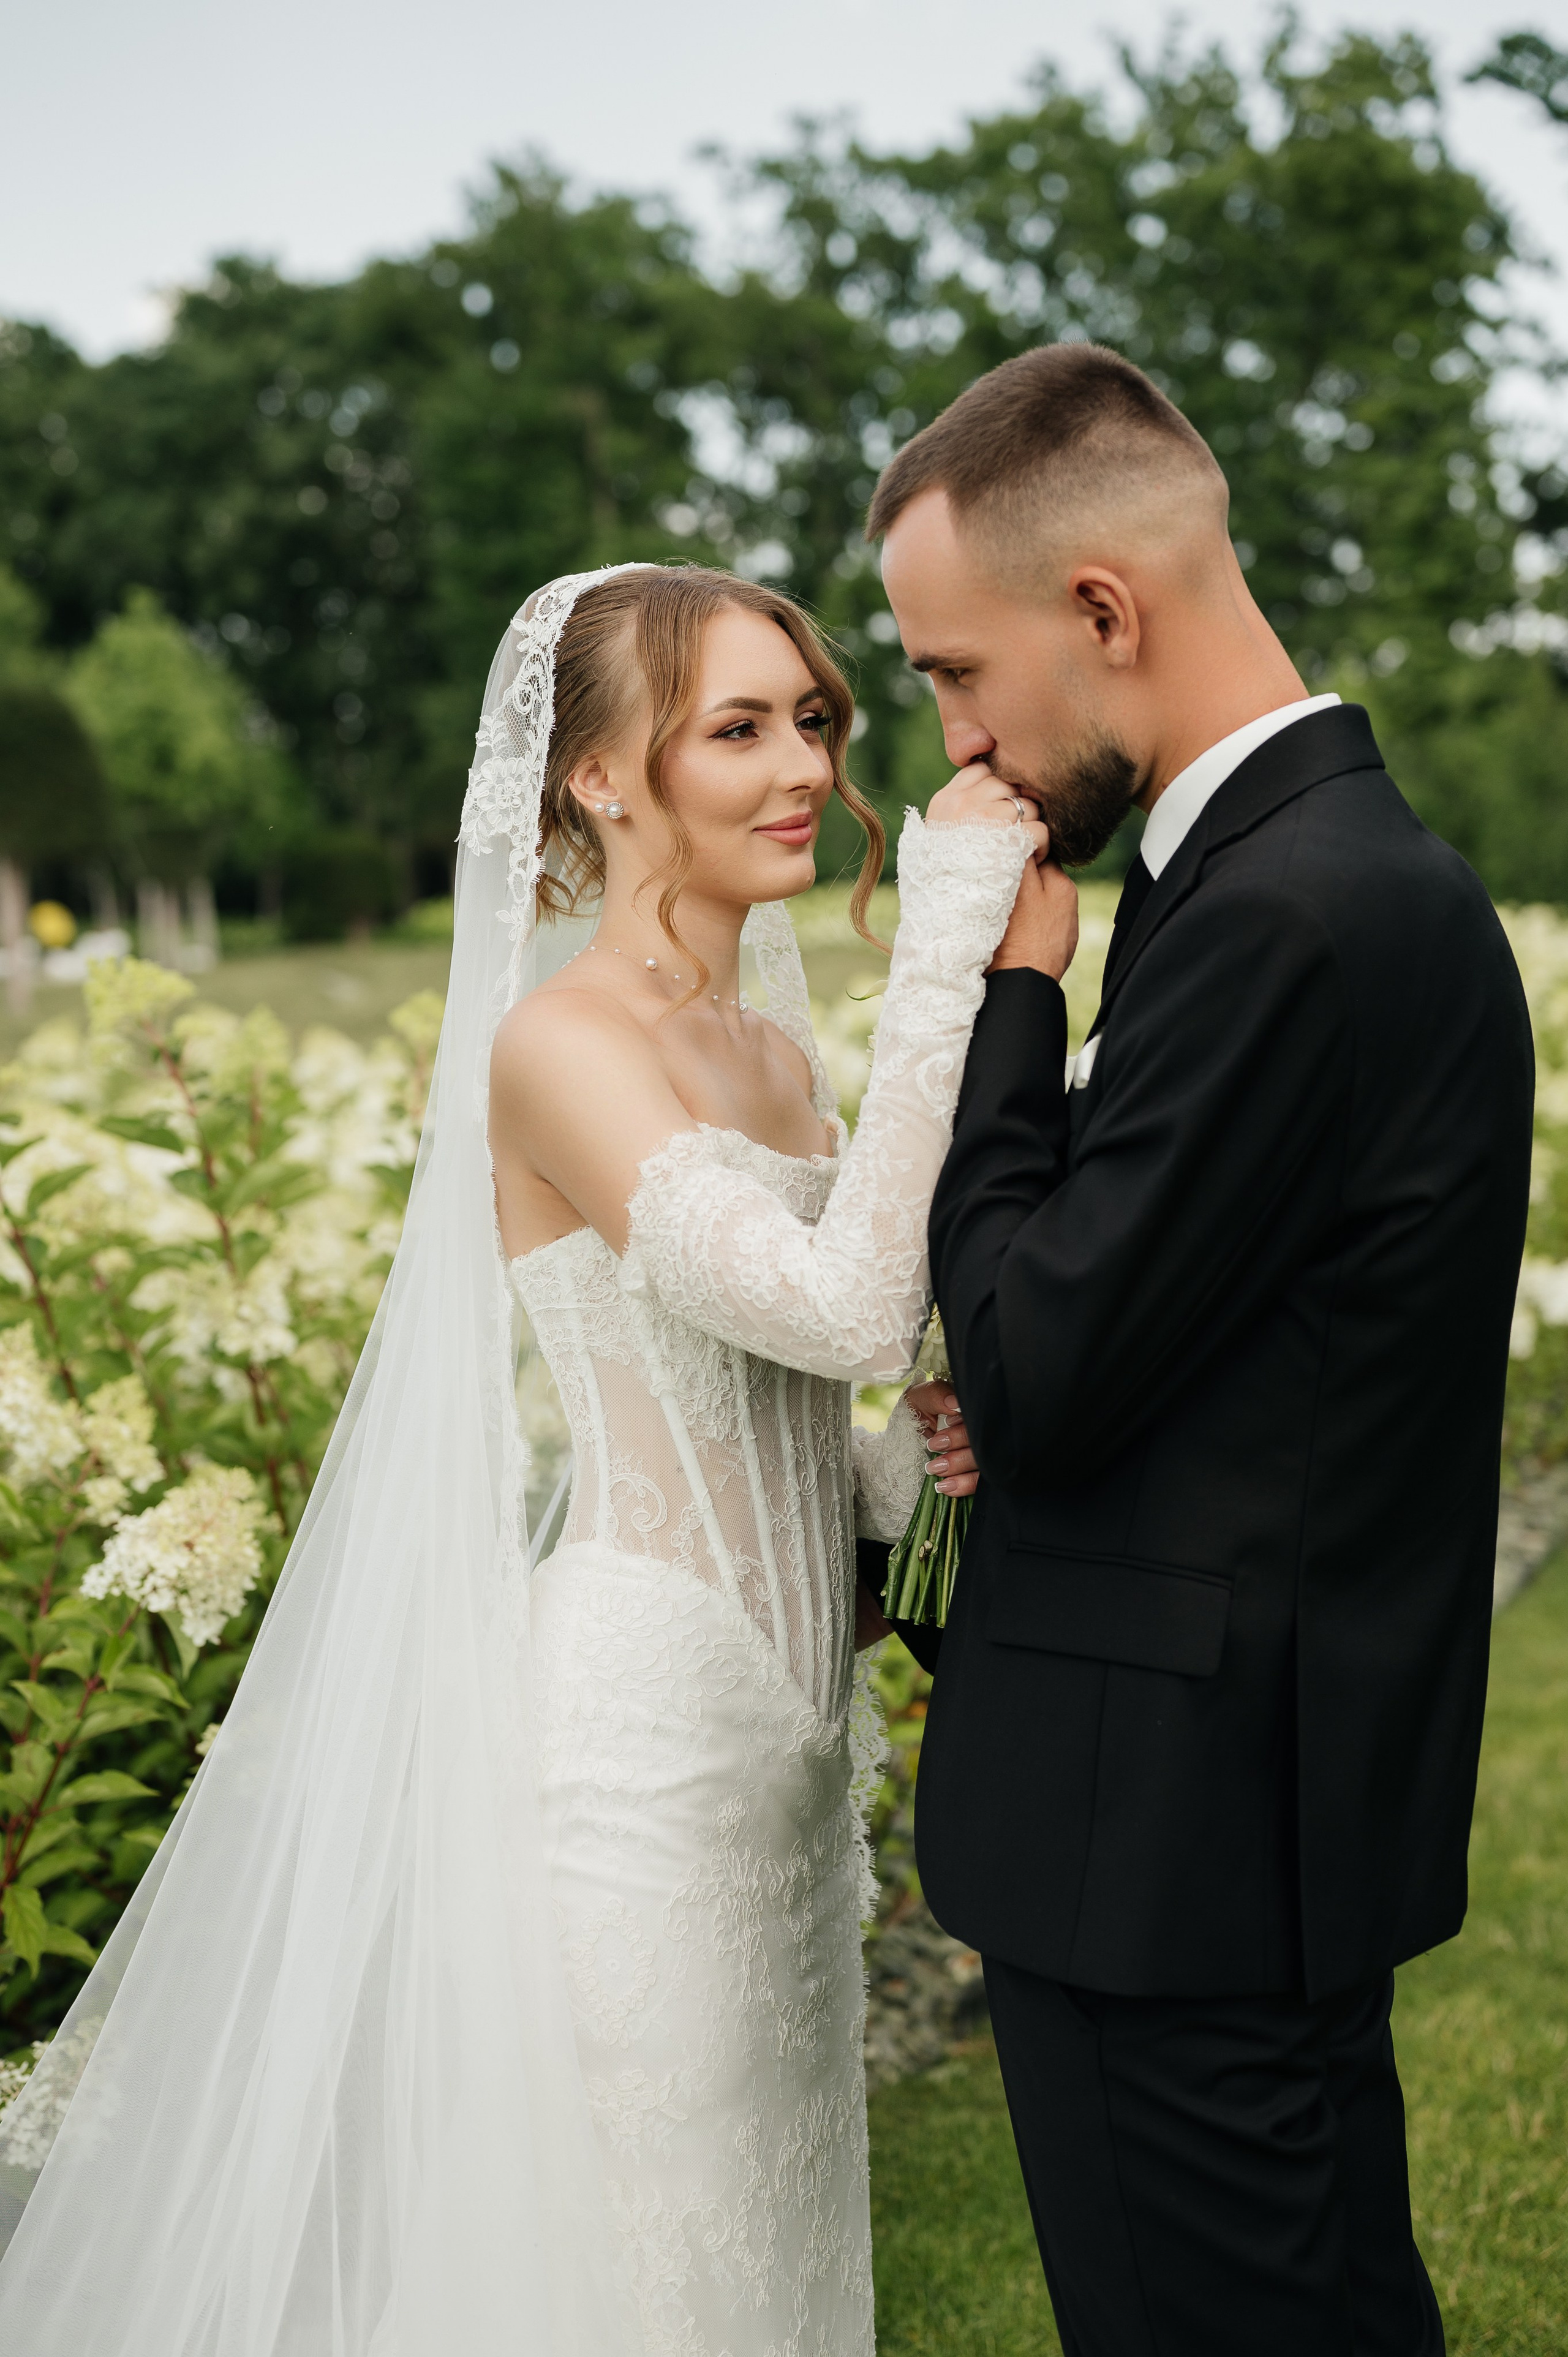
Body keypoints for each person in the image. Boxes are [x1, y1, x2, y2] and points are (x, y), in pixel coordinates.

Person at [0, 559, 1032, 2357]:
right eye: (737, 728)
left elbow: (807, 1408)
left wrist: (904, 1479)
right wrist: (949, 941)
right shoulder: (560, 1048)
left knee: (761, 2247)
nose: (803, 765)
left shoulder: (771, 1051)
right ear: (601, 779)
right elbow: (853, 1301)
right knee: (633, 2275)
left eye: (812, 721)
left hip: (788, 1762)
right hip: (638, 1756)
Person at [869, 344, 1534, 2357]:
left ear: (1101, 612)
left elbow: (1035, 1358)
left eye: (959, 677)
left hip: (1174, 1841)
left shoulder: (1280, 917)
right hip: (1244, 1815)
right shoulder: (1306, 877)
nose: (964, 753)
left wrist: (1003, 1012)